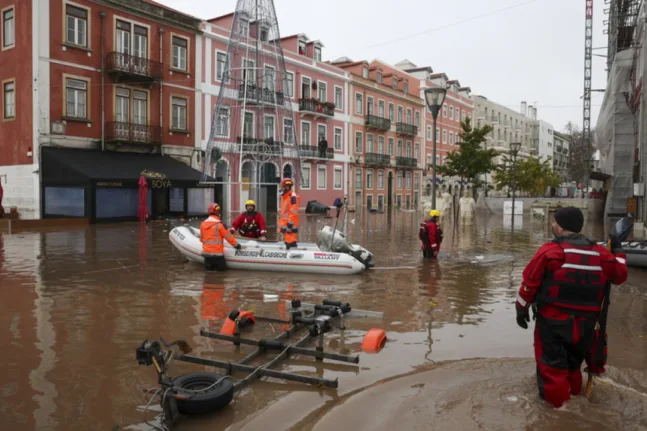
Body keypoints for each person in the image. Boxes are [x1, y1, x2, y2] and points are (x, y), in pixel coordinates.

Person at [515, 206, 628, 409]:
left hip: (553, 324)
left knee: (552, 369)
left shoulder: (551, 251)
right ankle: (575, 401)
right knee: (573, 366)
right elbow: (620, 275)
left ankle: (558, 415)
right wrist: (619, 251)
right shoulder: (600, 253)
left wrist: (521, 309)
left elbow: (529, 284)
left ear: (558, 226)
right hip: (586, 327)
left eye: (554, 222)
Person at [200, 202, 241, 271]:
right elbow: (228, 237)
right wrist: (237, 245)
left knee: (208, 276)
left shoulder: (202, 225)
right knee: (221, 275)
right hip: (217, 256)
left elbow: (201, 239)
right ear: (217, 213)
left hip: (206, 255)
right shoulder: (219, 225)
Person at [278, 178, 299, 249]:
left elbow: (293, 212)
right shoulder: (285, 197)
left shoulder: (292, 197)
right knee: (288, 242)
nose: (282, 188)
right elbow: (285, 212)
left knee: (291, 243)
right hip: (286, 226)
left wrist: (290, 226)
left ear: (286, 187)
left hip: (289, 226)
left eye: (283, 187)